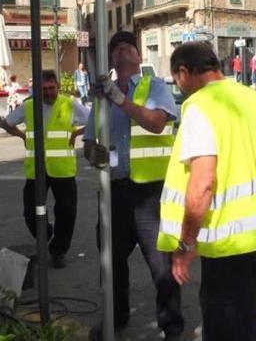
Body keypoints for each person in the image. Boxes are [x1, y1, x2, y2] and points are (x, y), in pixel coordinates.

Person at [158, 41, 256, 341]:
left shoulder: (200, 107)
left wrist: (185, 247)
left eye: (178, 80)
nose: (179, 87)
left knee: (225, 327)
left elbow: (202, 183)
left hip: (232, 245)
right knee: (246, 320)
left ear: (184, 72)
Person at [84, 31, 184, 340]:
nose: (123, 51)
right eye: (117, 49)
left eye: (129, 47)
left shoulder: (154, 86)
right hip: (115, 191)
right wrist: (92, 154)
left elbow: (156, 123)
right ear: (112, 59)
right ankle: (117, 317)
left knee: (162, 267)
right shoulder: (102, 98)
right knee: (110, 262)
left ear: (139, 57)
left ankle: (172, 327)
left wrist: (121, 100)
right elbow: (89, 141)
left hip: (150, 194)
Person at [2, 70, 89, 268]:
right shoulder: (29, 106)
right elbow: (5, 123)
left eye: (51, 88)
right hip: (36, 170)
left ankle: (58, 250)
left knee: (66, 212)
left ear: (58, 87)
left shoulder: (69, 104)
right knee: (30, 213)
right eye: (44, 89)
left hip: (63, 169)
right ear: (37, 90)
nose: (48, 92)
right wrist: (22, 136)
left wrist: (77, 133)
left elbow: (95, 120)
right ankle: (47, 234)